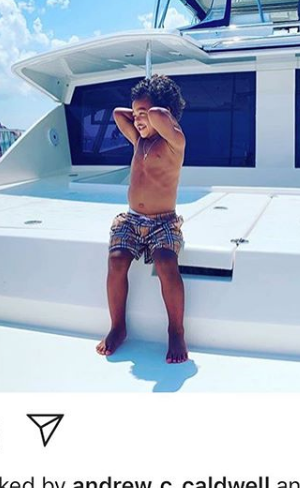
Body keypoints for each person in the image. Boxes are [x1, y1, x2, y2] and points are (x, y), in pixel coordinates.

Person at [96, 74, 188, 364]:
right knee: (116, 261)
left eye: (143, 114)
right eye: (135, 114)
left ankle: (175, 330)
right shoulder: (139, 140)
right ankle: (118, 327)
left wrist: (153, 112)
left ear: (165, 114)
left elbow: (159, 115)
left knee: (166, 263)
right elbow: (117, 114)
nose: (137, 120)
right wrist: (139, 113)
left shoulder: (174, 141)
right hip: (132, 220)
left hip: (164, 222)